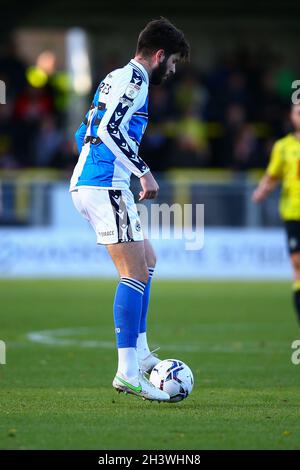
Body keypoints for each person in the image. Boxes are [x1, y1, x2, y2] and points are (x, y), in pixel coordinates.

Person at [70, 18, 190, 401]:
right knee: (134, 272)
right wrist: (143, 172)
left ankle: (139, 353)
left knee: (147, 259)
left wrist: (93, 165)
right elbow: (107, 129)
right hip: (105, 184)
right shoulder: (136, 82)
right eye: (172, 63)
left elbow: (85, 130)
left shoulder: (113, 77)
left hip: (99, 180)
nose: (171, 71)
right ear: (158, 55)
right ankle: (127, 372)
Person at [252, 104, 300, 324]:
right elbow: (273, 175)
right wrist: (262, 191)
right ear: (291, 116)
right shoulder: (283, 146)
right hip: (293, 213)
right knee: (298, 264)